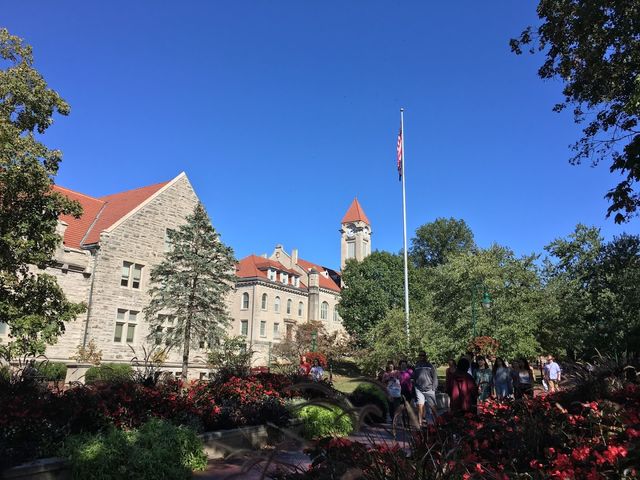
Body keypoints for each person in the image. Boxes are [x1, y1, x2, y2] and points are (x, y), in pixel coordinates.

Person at [412, 351, 438, 426]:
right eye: (420, 355)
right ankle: (420, 423)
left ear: (425, 356)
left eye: (423, 355)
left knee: (432, 406)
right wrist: (415, 384)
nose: (421, 357)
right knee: (420, 405)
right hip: (419, 389)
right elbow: (414, 377)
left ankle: (438, 421)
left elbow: (435, 377)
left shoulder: (430, 365)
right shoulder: (416, 366)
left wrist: (434, 387)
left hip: (429, 388)